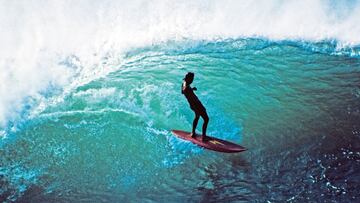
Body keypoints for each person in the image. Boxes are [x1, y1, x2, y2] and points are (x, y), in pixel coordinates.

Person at [181, 72, 209, 141]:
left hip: (193, 105)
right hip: (196, 105)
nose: (192, 80)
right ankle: (203, 137)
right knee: (206, 119)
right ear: (189, 79)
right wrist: (190, 89)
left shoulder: (184, 83)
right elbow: (185, 90)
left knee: (197, 117)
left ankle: (193, 133)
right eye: (192, 79)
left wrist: (191, 89)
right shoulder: (186, 87)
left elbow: (182, 91)